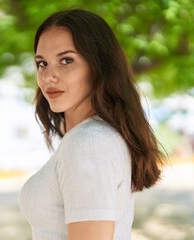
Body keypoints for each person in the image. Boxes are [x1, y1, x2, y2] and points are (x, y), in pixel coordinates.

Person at [19, 9, 166, 240]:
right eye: (42, 63)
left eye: (66, 60)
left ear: (98, 66)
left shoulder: (89, 142)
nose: (48, 76)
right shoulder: (96, 137)